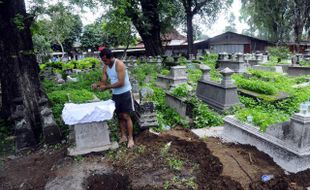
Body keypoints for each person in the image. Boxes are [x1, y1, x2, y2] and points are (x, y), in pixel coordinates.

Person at [92, 48, 135, 148]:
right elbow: (104, 81)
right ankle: (123, 136)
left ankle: (130, 138)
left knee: (126, 116)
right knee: (119, 116)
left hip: (125, 93)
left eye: (105, 60)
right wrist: (98, 85)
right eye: (103, 60)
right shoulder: (106, 67)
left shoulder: (119, 64)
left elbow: (121, 83)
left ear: (111, 57)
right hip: (116, 94)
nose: (104, 62)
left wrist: (106, 87)